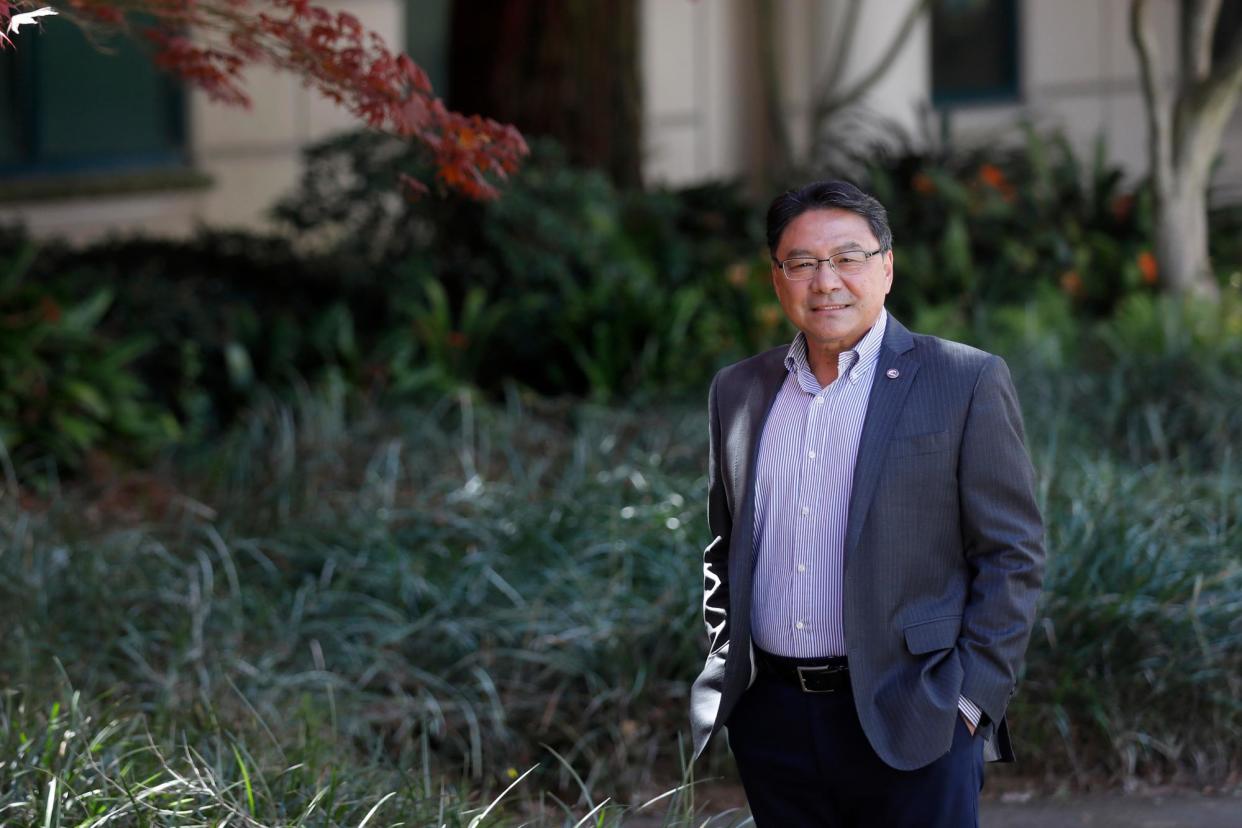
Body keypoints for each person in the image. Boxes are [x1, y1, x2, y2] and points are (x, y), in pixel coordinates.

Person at [689, 180, 1045, 827]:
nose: (825, 280)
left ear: (886, 266)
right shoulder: (738, 390)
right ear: (777, 278)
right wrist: (728, 673)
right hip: (773, 719)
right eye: (802, 262)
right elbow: (722, 545)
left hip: (917, 715)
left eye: (847, 257)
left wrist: (971, 700)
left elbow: (1012, 554)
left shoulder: (962, 380)